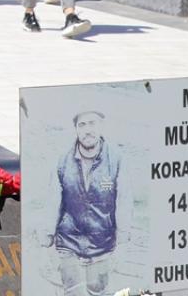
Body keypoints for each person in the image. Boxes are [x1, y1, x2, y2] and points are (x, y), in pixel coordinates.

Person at [44, 110, 129, 296]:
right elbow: (53, 201)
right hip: (68, 242)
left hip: (102, 244)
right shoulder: (62, 161)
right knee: (72, 293)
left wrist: (123, 242)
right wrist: (47, 239)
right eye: (82, 125)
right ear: (75, 129)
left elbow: (124, 201)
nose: (87, 130)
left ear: (101, 126)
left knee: (98, 293)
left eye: (92, 123)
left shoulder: (116, 160)